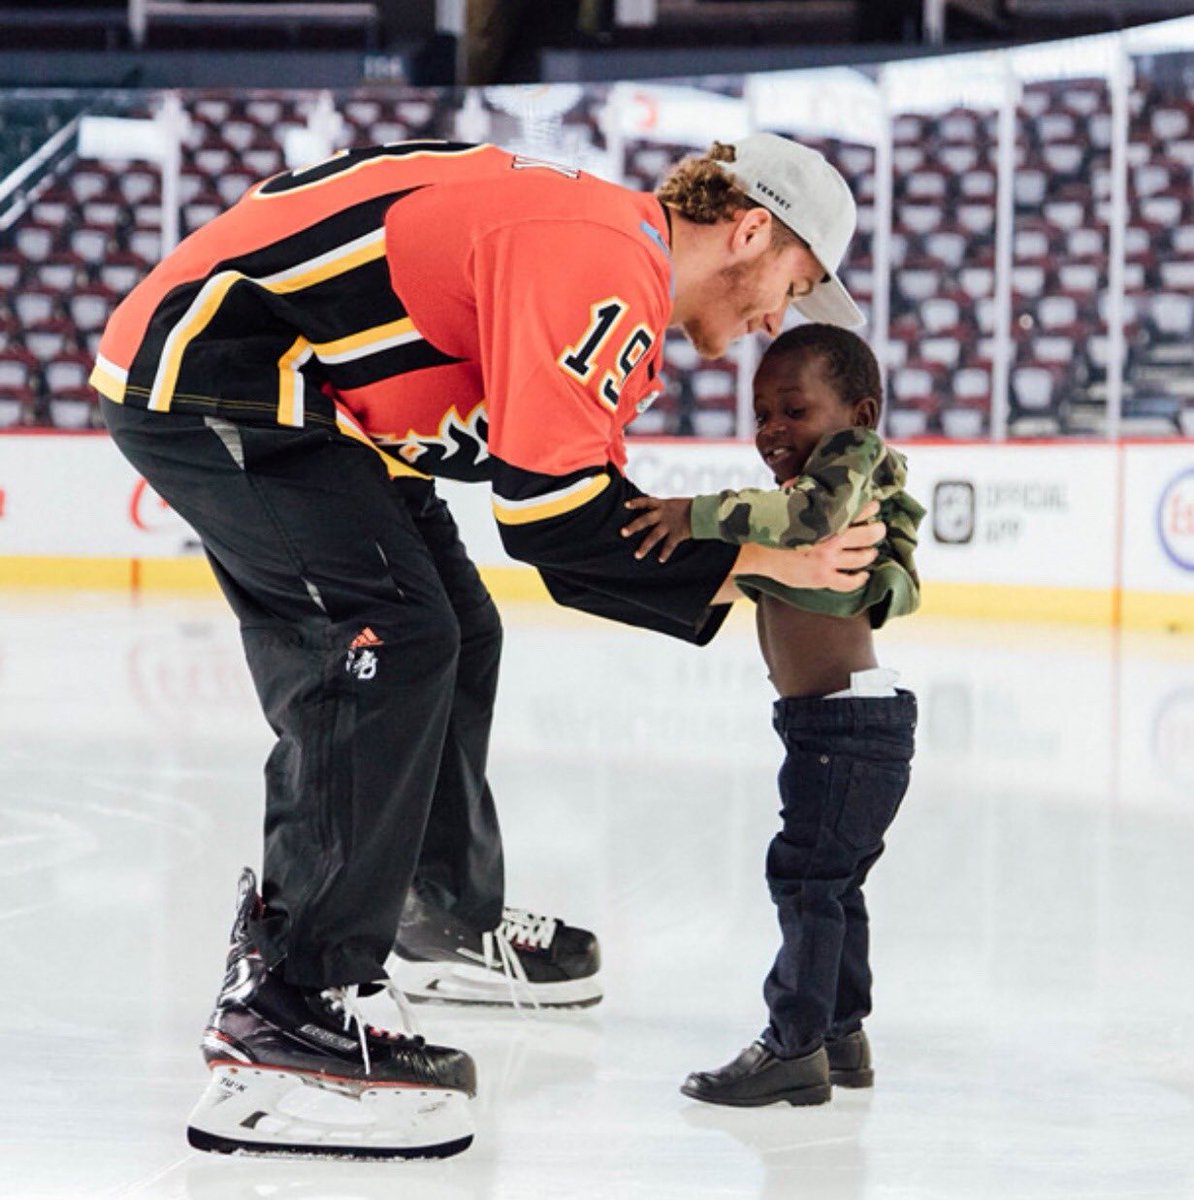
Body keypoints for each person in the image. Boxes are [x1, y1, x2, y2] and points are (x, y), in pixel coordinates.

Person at [88, 132, 882, 1156]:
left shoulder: (613, 252)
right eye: (794, 281)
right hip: (222, 371)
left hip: (309, 393)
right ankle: (282, 1012)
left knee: (457, 627)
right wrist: (763, 567)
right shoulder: (605, 262)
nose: (780, 317)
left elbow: (577, 511)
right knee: (385, 640)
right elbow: (555, 526)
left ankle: (441, 915)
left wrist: (742, 556)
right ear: (748, 229)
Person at [621, 323, 923, 1107]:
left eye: (794, 410)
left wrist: (696, 513)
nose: (772, 431)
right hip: (840, 728)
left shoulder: (847, 466)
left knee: (807, 884)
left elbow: (806, 525)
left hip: (846, 731)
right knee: (830, 884)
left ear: (857, 411)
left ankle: (793, 1047)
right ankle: (839, 1035)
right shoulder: (829, 476)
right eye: (761, 415)